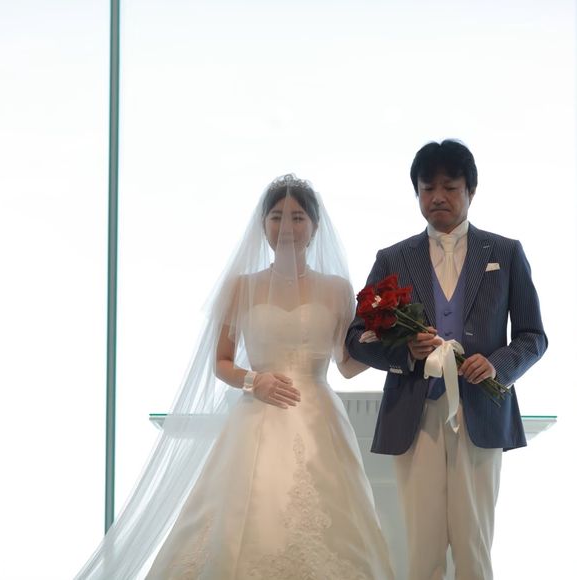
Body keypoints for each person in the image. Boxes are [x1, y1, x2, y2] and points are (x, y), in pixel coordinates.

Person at [76, 174, 394, 580]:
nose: (287, 226)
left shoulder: (337, 289)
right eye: (277, 216)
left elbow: (346, 365)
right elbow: (222, 362)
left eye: (297, 217)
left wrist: (384, 345)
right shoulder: (241, 287)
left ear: (315, 226)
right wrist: (253, 382)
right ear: (263, 224)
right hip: (256, 415)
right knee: (245, 514)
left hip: (319, 417)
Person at [346, 140, 547, 580]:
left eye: (450, 187)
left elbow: (534, 336)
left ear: (471, 191)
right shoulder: (392, 259)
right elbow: (356, 339)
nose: (438, 196)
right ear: (417, 193)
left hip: (481, 412)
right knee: (423, 546)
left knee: (474, 544)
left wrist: (498, 365)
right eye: (427, 188)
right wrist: (404, 353)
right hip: (414, 413)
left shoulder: (505, 253)